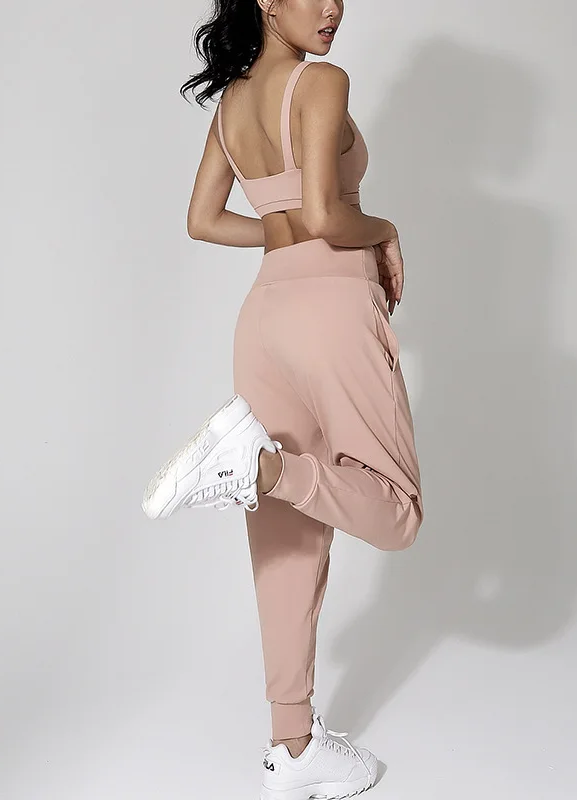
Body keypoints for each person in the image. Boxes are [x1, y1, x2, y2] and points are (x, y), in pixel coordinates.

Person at [143, 2, 423, 797]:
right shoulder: (320, 82)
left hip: (264, 320)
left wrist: (275, 232)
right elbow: (329, 216)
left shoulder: (232, 105)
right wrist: (386, 228)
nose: (334, 7)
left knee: (287, 542)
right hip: (333, 307)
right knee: (397, 512)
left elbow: (203, 220)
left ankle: (293, 747)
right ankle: (262, 468)